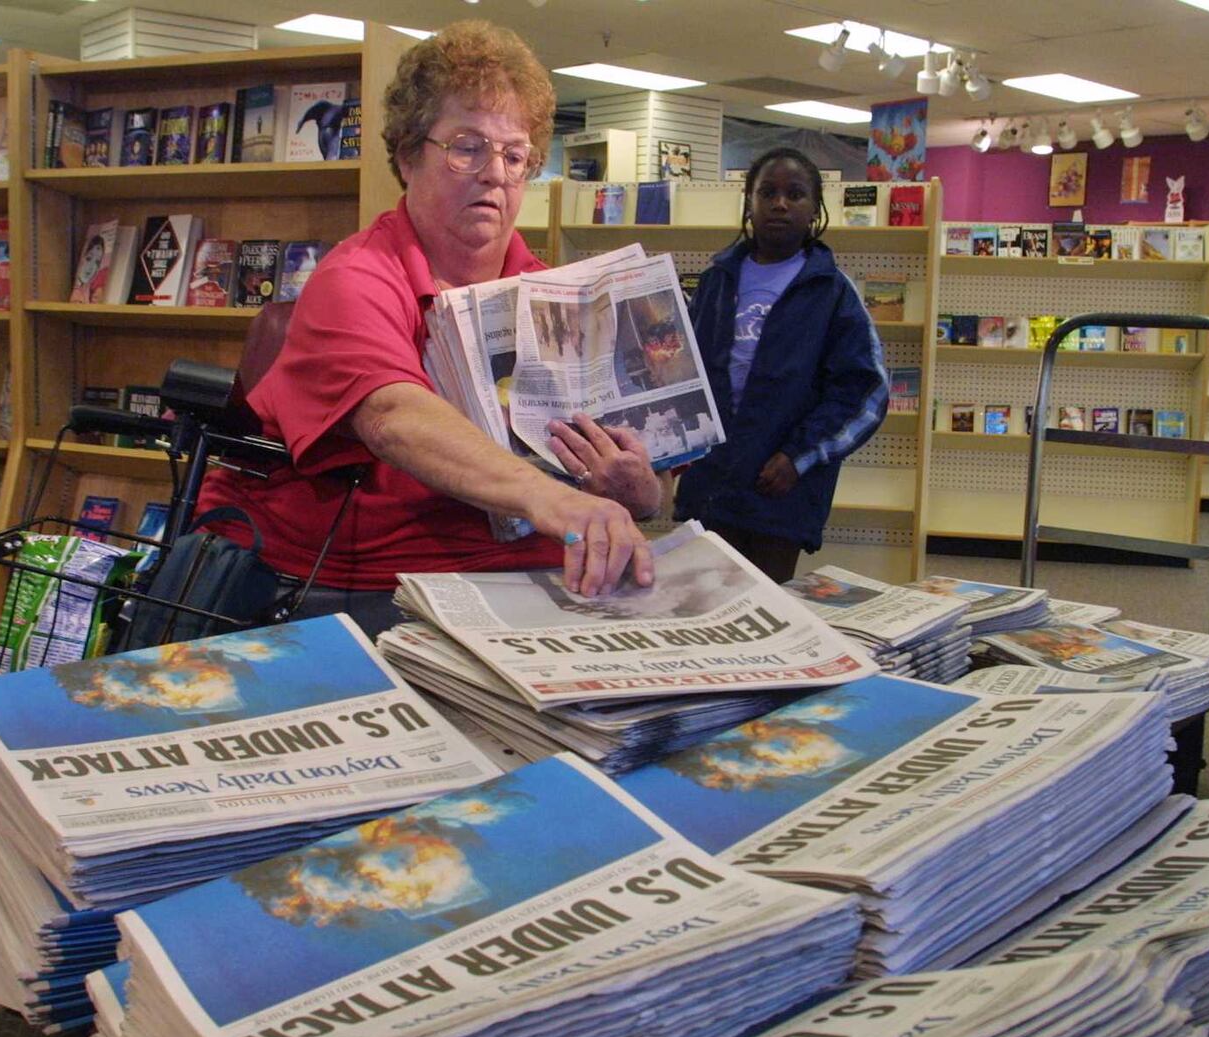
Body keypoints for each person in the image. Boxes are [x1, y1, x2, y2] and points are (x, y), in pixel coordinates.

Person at [195, 21, 661, 637]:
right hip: (366, 584)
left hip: (527, 573)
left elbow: (643, 498)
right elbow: (394, 417)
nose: (495, 173)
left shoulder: (553, 292)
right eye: (468, 147)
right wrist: (554, 499)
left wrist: (633, 492)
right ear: (409, 155)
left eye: (515, 155)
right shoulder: (356, 277)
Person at [673, 146, 887, 584]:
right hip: (712, 480)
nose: (780, 203)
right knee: (701, 602)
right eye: (766, 192)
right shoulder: (716, 280)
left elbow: (865, 393)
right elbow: (687, 372)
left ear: (815, 209)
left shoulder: (831, 292)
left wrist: (800, 456)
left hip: (780, 486)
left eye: (796, 194)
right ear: (749, 204)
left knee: (767, 609)